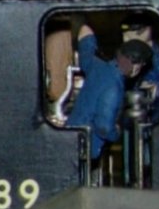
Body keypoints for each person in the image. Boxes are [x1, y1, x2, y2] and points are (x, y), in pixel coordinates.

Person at [65, 24, 153, 163]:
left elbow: (85, 41)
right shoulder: (114, 89)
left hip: (70, 136)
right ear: (136, 66)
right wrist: (116, 133)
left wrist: (86, 28)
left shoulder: (97, 66)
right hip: (86, 146)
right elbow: (104, 127)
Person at [121, 16, 159, 120]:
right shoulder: (125, 55)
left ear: (146, 32)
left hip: (153, 113)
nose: (125, 40)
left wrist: (154, 89)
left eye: (129, 37)